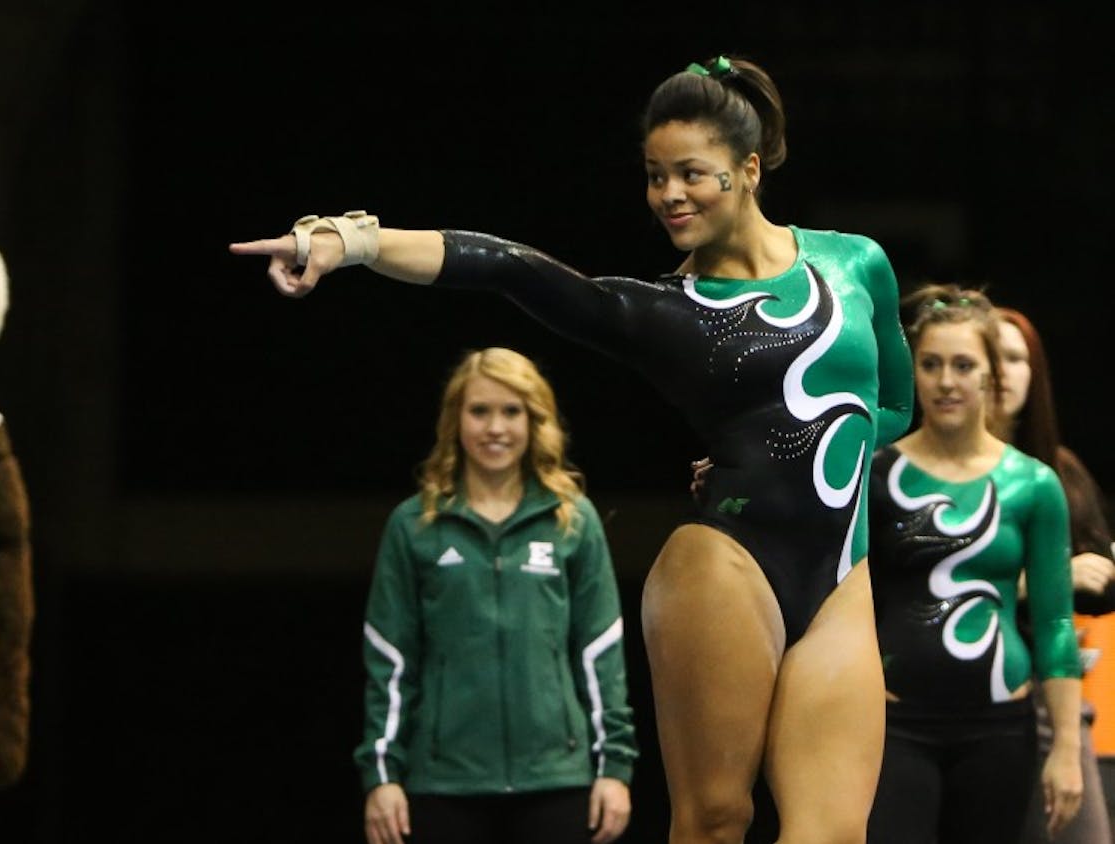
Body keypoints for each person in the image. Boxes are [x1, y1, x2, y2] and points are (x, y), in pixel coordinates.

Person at [234, 54, 914, 843]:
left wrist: (829, 451)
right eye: (655, 176)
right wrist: (352, 242)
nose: (669, 195)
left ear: (749, 169)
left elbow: (892, 407)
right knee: (717, 819)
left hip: (842, 587)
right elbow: (505, 267)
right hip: (729, 568)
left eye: (691, 173)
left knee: (834, 834)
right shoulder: (661, 311)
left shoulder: (858, 262)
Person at [356, 347, 636, 844]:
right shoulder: (415, 524)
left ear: (535, 421)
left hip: (557, 778)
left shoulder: (571, 519)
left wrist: (614, 767)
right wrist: (382, 776)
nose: (495, 428)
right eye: (479, 410)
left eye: (512, 411)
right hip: (443, 782)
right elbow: (391, 660)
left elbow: (600, 652)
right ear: (455, 420)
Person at [865, 286, 1082, 843]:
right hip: (895, 722)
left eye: (964, 365)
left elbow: (1057, 625)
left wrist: (1064, 748)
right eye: (931, 364)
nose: (946, 381)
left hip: (999, 728)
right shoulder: (877, 475)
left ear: (991, 376)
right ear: (912, 370)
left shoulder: (1033, 484)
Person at [993, 306, 1115, 843]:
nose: (1001, 372)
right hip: (948, 694)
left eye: (1016, 358)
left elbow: (1100, 579)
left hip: (1050, 693)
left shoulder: (1059, 474)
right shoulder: (912, 471)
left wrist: (1080, 578)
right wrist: (1034, 582)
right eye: (990, 358)